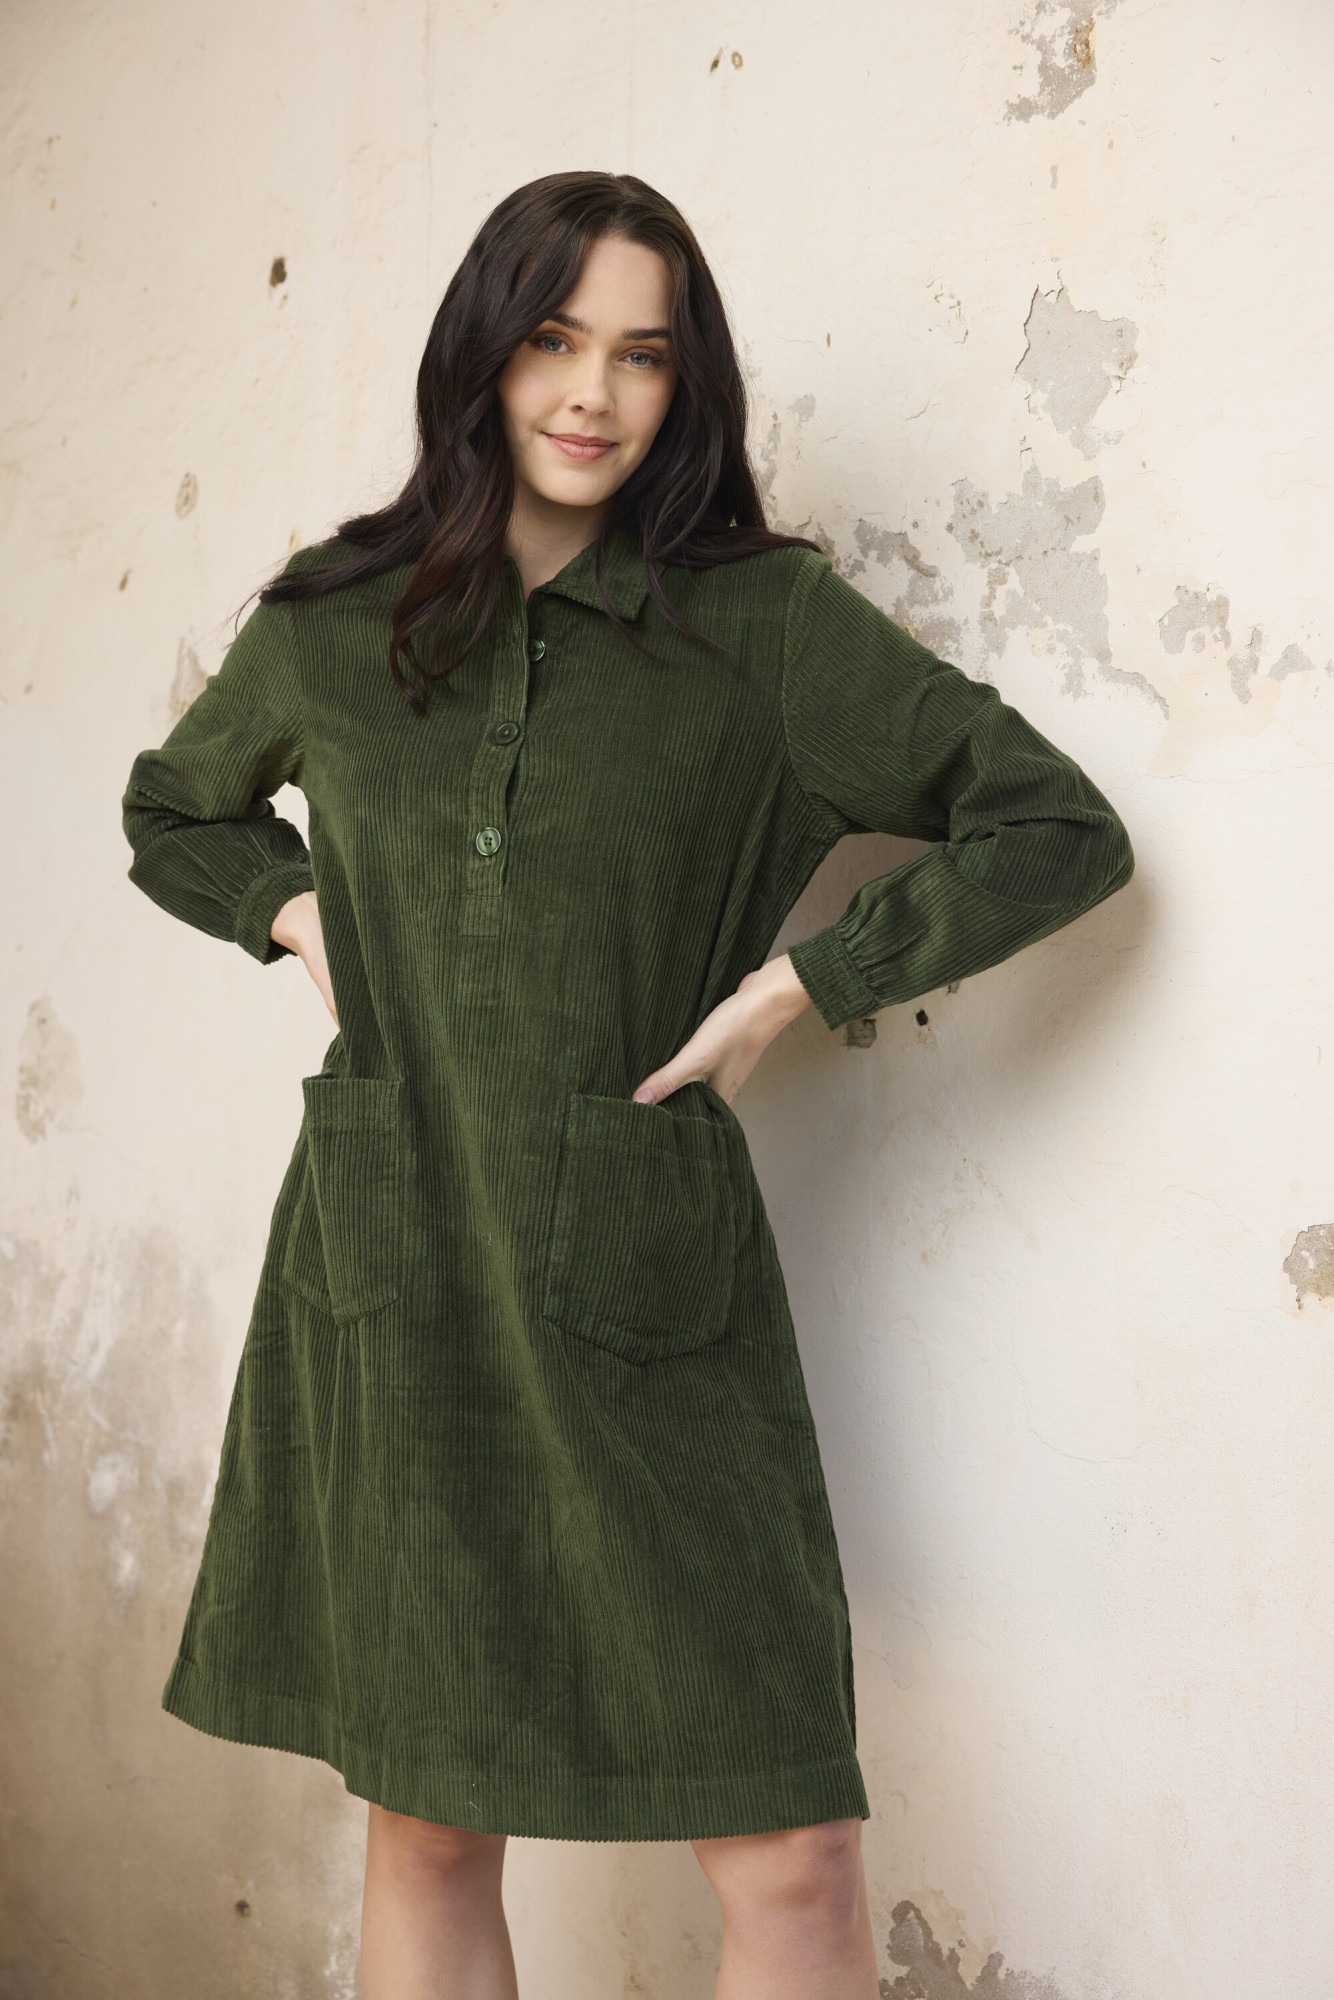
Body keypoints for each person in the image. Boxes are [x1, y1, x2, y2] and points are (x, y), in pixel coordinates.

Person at [121, 171, 1133, 2000]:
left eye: (641, 354)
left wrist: (802, 985)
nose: (592, 393)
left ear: (688, 382)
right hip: (396, 1274)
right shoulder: (334, 617)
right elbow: (173, 810)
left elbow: (1053, 827)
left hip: (648, 1289)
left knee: (793, 1855)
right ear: (482, 355)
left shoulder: (763, 625)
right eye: (551, 340)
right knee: (428, 1821)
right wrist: (293, 911)